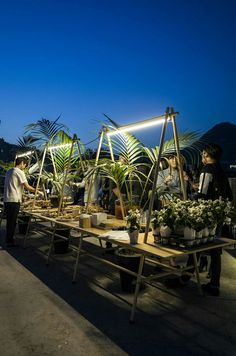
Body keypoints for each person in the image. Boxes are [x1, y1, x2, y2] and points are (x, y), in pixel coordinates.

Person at [166, 143, 233, 296]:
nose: (202, 156)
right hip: (218, 214)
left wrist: (190, 205)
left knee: (194, 247)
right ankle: (214, 284)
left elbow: (202, 195)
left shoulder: (207, 170)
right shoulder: (221, 171)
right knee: (215, 250)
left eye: (203, 154)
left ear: (207, 155)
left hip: (206, 215)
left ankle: (184, 279)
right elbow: (227, 195)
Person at [3, 157, 43, 247]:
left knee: (10, 221)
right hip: (14, 200)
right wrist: (38, 191)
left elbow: (14, 186)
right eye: (25, 165)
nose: (24, 167)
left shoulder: (9, 171)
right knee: (12, 222)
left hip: (7, 199)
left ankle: (9, 239)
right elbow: (27, 187)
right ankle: (10, 242)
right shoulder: (19, 172)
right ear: (21, 163)